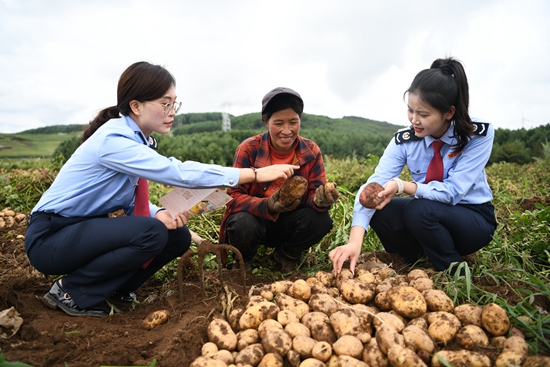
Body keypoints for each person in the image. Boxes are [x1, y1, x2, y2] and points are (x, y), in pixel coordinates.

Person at [24, 62, 298, 317]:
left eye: (174, 103)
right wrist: (253, 174)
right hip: (52, 236)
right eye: (165, 103)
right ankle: (71, 291)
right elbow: (175, 172)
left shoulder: (138, 142)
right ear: (136, 106)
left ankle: (114, 289)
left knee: (176, 235)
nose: (172, 111)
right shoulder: (114, 139)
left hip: (81, 231)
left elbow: (131, 202)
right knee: (152, 233)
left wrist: (160, 212)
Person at [329, 57, 497, 275]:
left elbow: (454, 192)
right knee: (382, 207)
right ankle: (410, 266)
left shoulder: (476, 134)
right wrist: (355, 239)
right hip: (429, 213)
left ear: (449, 112)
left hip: (472, 218)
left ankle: (453, 272)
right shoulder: (405, 139)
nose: (414, 120)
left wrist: (403, 186)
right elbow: (373, 186)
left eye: (423, 114)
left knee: (420, 209)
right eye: (411, 111)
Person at [218, 87, 338, 273]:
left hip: (288, 225)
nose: (286, 130)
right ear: (266, 121)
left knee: (321, 220)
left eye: (293, 122)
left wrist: (319, 200)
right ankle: (244, 260)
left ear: (300, 120)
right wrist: (268, 205)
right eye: (279, 123)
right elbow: (233, 197)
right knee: (242, 222)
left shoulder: (310, 150)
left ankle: (286, 255)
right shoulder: (249, 149)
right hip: (256, 221)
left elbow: (314, 191)